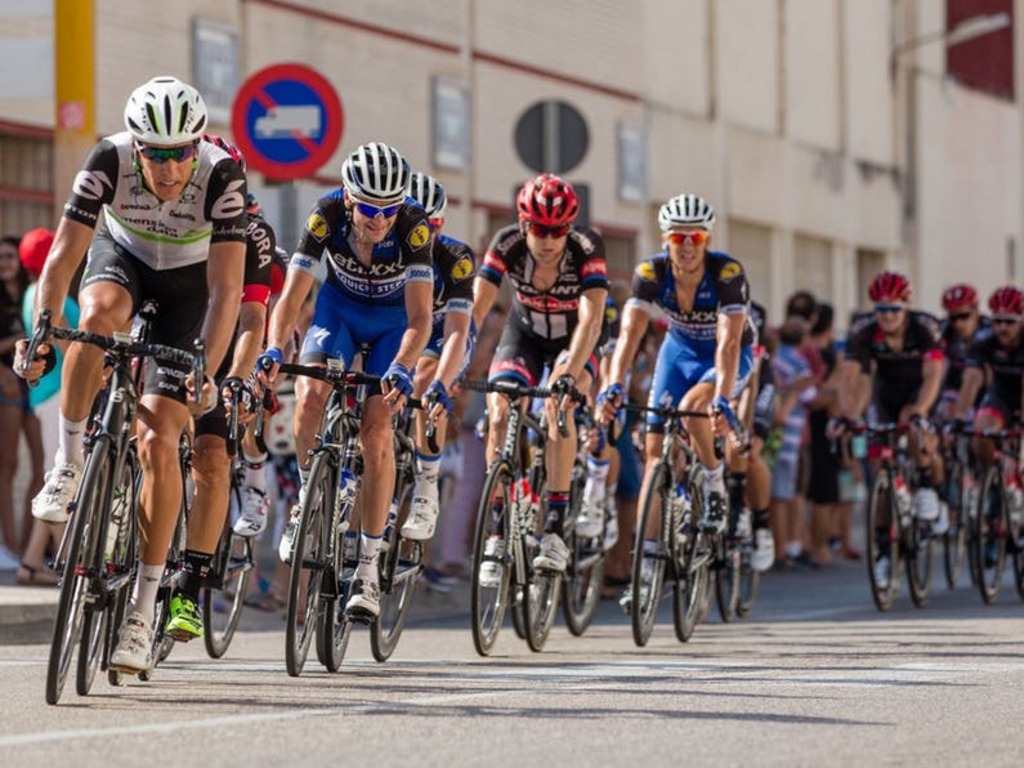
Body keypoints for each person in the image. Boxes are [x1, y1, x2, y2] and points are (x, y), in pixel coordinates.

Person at [14, 76, 247, 674]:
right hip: (124, 261)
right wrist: (43, 329)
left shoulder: (221, 175)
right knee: (94, 317)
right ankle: (67, 465)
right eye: (156, 152)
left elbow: (225, 291)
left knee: (157, 437)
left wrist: (207, 367)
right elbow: (64, 257)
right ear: (135, 144)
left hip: (190, 291)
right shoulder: (107, 159)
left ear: (198, 145)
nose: (169, 168)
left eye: (180, 153)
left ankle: (143, 610)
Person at [261, 141, 432, 618]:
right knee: (311, 391)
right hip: (340, 311)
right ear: (348, 197)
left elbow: (421, 317)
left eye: (389, 209)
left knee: (377, 428)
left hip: (393, 324)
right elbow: (291, 300)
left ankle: (369, 568)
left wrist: (401, 366)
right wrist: (276, 347)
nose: (379, 220)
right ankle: (306, 499)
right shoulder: (326, 215)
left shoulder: (415, 228)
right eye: (369, 209)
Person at [597, 193, 753, 596]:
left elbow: (729, 344)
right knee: (652, 456)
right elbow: (629, 336)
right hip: (679, 353)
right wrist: (614, 384)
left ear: (707, 240)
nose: (686, 247)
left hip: (723, 356)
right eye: (678, 238)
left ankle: (715, 485)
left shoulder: (727, 273)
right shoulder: (650, 271)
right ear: (666, 238)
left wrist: (722, 396)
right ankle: (646, 568)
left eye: (695, 239)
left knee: (692, 408)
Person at [163, 137, 276, 641]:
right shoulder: (160, 213)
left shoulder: (253, 232)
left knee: (211, 456)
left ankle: (189, 586)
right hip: (169, 331)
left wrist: (238, 378)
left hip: (225, 344)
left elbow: (253, 317)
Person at [472, 173, 608, 573]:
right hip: (525, 335)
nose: (548, 240)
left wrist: (570, 371)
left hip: (576, 341)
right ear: (523, 224)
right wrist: (455, 357)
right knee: (498, 409)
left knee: (558, 406)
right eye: (538, 229)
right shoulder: (507, 244)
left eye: (557, 230)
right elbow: (477, 310)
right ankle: (497, 529)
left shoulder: (587, 247)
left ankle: (554, 526)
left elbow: (591, 319)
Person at [836, 271, 946, 588]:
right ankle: (884, 550)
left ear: (906, 306)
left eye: (894, 309)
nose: (887, 316)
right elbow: (850, 376)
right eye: (881, 309)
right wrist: (846, 415)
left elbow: (933, 375)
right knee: (878, 465)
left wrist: (921, 412)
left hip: (919, 392)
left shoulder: (925, 327)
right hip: (885, 393)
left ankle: (928, 486)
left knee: (916, 430)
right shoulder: (863, 330)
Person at [400, 172, 475, 544]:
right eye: (413, 223)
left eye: (432, 226)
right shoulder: (385, 248)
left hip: (445, 334)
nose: (422, 234)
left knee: (425, 381)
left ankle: (426, 485)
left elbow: (458, 331)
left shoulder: (455, 257)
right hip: (400, 332)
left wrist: (443, 384)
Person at [16, 228, 78, 586]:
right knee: (59, 481)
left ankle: (31, 561)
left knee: (54, 479)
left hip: (47, 394)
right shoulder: (47, 290)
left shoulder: (31, 291)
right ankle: (66, 564)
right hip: (60, 392)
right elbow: (65, 339)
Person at [953, 286, 1024, 468]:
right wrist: (960, 418)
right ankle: (991, 481)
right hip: (1002, 395)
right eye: (997, 321)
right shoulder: (984, 340)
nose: (1002, 327)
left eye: (1009, 322)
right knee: (981, 432)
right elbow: (972, 378)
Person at [0, 235, 31, 571]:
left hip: (32, 390)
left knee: (40, 465)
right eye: (0, 258)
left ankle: (25, 546)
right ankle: (6, 544)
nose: (5, 262)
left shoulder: (27, 296)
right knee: (7, 466)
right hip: (6, 389)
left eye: (10, 256)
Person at [938, 283, 988, 422]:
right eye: (953, 318)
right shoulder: (944, 330)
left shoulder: (989, 332)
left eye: (964, 316)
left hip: (986, 388)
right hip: (955, 387)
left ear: (976, 311)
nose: (958, 324)